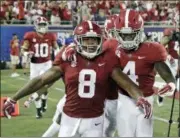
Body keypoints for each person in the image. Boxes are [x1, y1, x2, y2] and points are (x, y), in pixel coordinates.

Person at [3, 21, 152, 137]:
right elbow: (41, 80)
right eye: (87, 40)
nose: (91, 44)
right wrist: (14, 99)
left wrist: (141, 98)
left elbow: (125, 81)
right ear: (77, 41)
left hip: (95, 120)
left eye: (95, 40)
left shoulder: (108, 59)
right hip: (69, 119)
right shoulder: (68, 57)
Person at [62, 10, 177, 137]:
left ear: (140, 32)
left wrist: (171, 84)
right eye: (123, 35)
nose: (127, 39)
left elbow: (163, 70)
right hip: (124, 99)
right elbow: (91, 48)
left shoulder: (152, 49)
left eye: (131, 35)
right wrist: (71, 47)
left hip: (146, 98)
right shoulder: (111, 45)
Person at [20, 16, 59, 119]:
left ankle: (44, 101)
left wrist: (58, 56)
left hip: (47, 63)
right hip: (35, 65)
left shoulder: (51, 36)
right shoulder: (29, 35)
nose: (42, 27)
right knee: (34, 87)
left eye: (44, 25)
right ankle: (38, 111)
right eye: (40, 25)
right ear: (36, 26)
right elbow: (23, 50)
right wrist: (26, 54)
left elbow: (56, 48)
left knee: (44, 85)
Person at [157, 12, 179, 106]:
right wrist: (167, 55)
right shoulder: (170, 33)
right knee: (172, 83)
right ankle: (162, 93)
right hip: (173, 61)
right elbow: (160, 46)